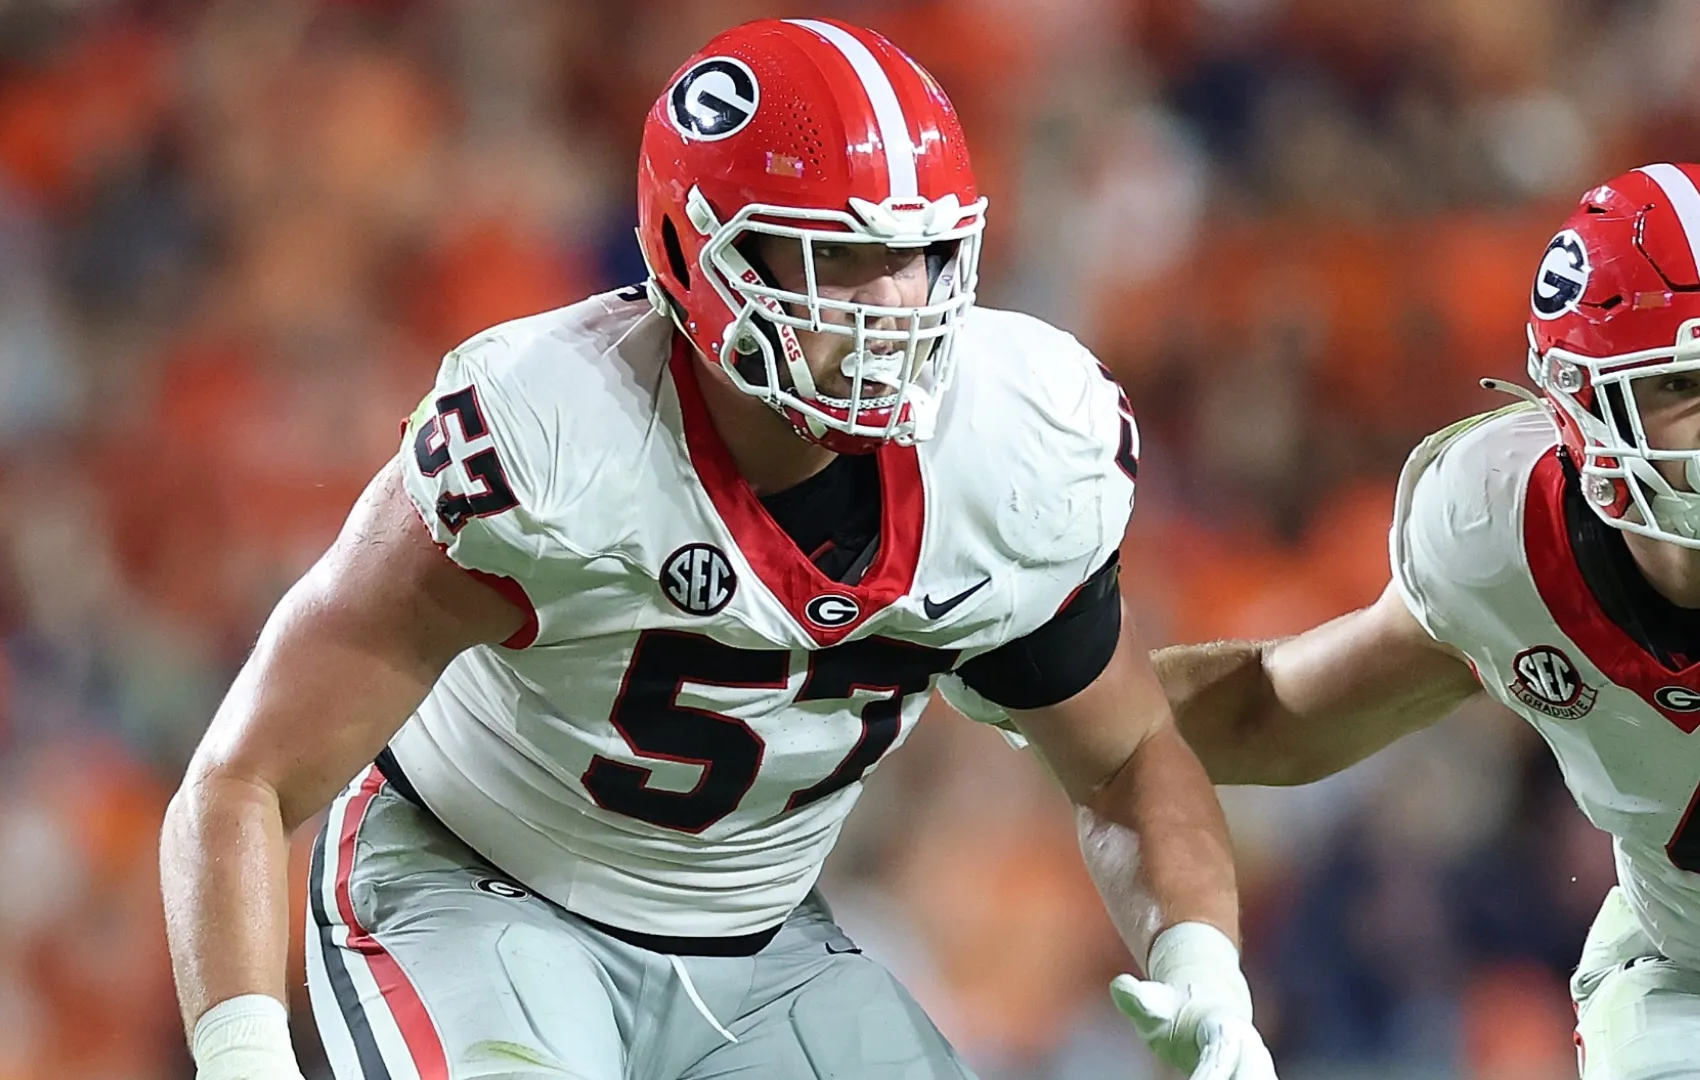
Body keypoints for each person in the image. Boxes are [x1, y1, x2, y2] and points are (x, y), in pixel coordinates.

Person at [161, 17, 1276, 1080]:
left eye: (920, 255)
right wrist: (244, 1053)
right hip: (475, 889)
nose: (895, 304)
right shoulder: (553, 442)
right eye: (833, 262)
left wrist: (1203, 970)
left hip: (759, 939)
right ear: (694, 256)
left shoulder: (1018, 446)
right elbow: (243, 780)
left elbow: (1129, 757)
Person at [1159, 162, 1700, 1080]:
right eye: (1689, 384)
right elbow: (1274, 715)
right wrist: (1052, 681)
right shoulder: (1503, 542)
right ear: (1588, 411)